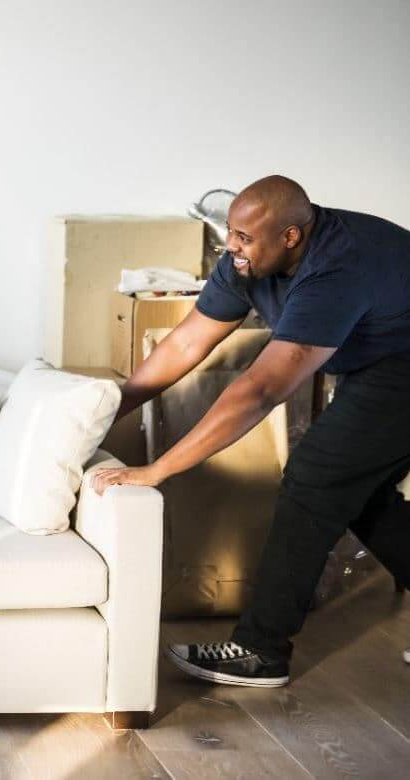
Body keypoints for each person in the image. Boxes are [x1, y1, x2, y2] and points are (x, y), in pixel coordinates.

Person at [92, 174, 410, 688]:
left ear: (290, 237)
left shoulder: (336, 268)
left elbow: (260, 390)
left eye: (244, 238)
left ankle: (259, 650)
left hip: (404, 367)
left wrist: (158, 470)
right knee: (356, 492)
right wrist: (103, 412)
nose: (230, 246)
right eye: (230, 233)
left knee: (315, 478)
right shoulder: (246, 261)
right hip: (383, 360)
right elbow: (185, 345)